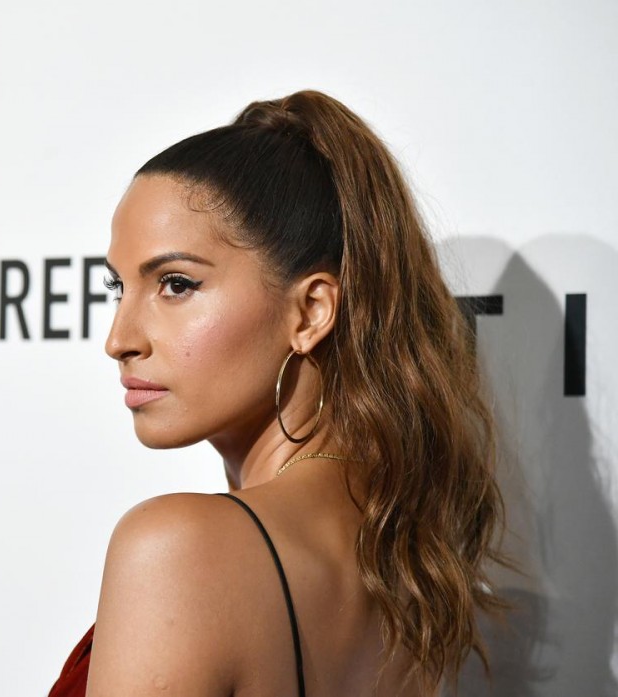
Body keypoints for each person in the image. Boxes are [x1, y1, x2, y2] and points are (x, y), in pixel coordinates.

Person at [48, 90, 506, 697]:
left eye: (176, 284)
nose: (120, 339)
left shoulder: (180, 548)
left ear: (311, 311)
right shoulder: (403, 561)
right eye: (118, 288)